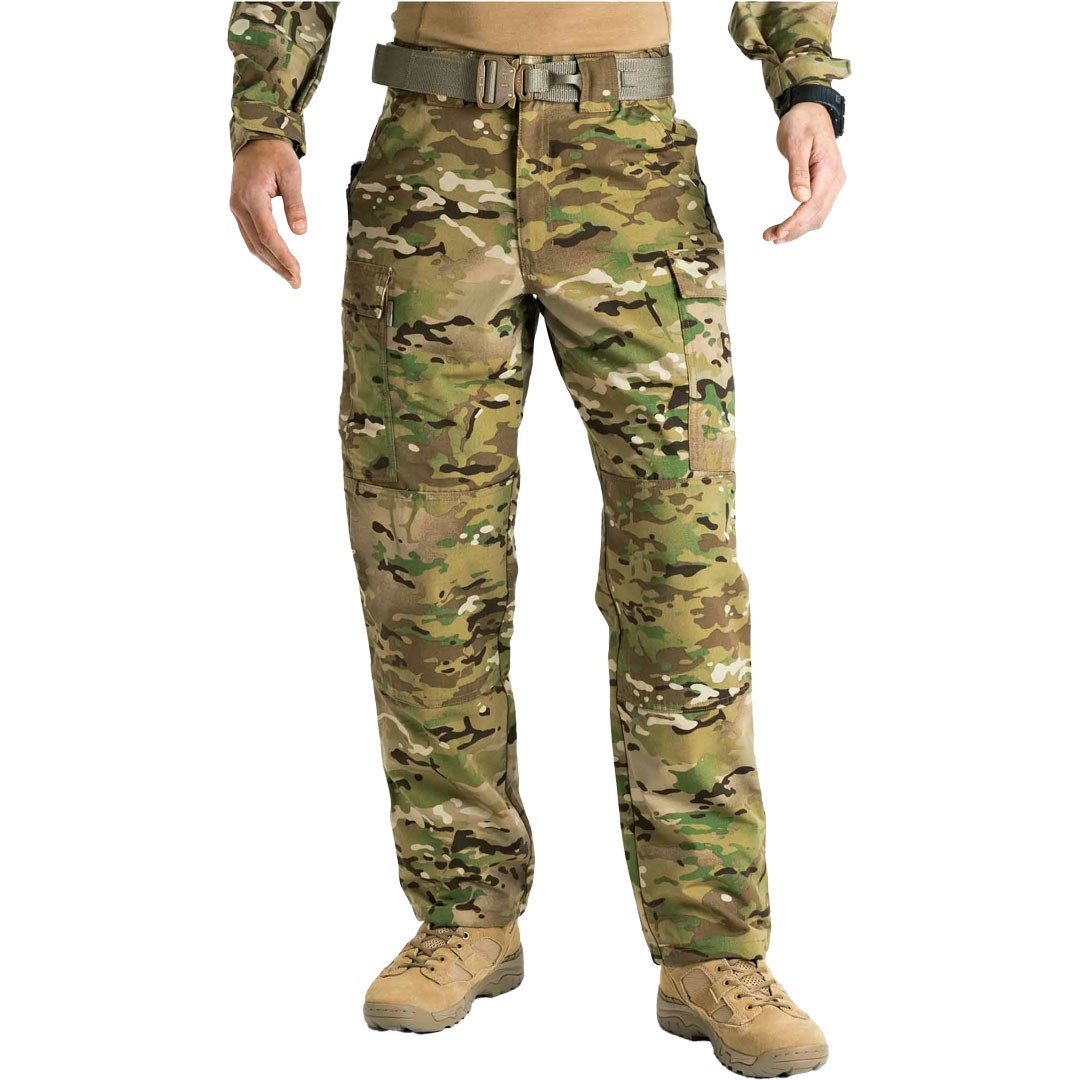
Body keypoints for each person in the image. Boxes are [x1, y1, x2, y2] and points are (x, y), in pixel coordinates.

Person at [226, 3, 849, 1075]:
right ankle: (465, 913)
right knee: (423, 565)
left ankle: (711, 950)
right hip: (432, 164)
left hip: (631, 168)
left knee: (682, 570)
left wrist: (807, 87)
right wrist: (263, 117)